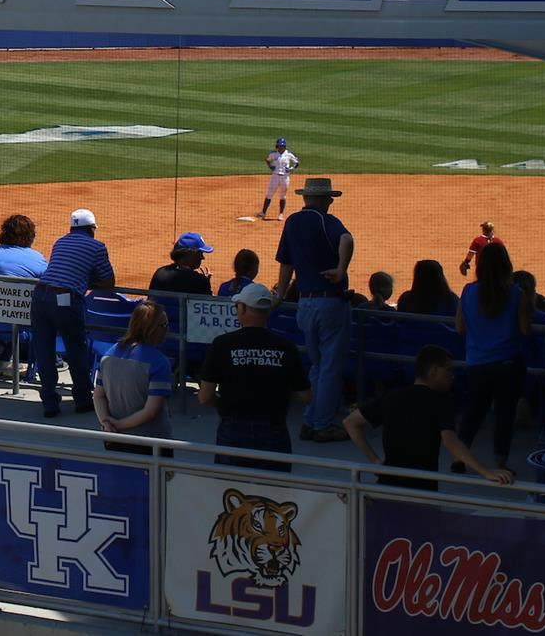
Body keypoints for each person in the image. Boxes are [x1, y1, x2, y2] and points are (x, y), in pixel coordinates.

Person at [345, 345, 516, 488]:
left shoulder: (390, 396)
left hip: (388, 484)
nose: (452, 376)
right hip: (421, 488)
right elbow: (450, 441)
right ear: (434, 370)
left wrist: (375, 460)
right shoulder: (441, 401)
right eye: (448, 370)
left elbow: (350, 422)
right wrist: (485, 471)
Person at [273, 176, 355, 443]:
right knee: (330, 367)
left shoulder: (292, 221)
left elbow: (286, 264)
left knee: (317, 366)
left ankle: (311, 420)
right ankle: (322, 424)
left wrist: (280, 294)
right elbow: (347, 240)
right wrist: (341, 270)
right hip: (329, 302)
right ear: (321, 199)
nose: (331, 201)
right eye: (329, 197)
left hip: (304, 304)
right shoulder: (326, 221)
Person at [197, 283, 310, 467]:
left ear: (241, 308)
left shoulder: (222, 344)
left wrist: (224, 406)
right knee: (273, 492)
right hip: (274, 429)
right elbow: (306, 395)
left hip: (232, 429)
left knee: (229, 489)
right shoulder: (287, 347)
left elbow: (204, 397)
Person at [454, 240, 531, 471]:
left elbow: (460, 328)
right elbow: (525, 329)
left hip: (477, 362)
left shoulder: (468, 291)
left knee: (474, 411)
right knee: (504, 414)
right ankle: (500, 461)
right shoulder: (516, 293)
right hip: (508, 362)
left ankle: (460, 457)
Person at [30, 208, 114, 417]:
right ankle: (83, 400)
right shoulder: (97, 247)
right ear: (92, 228)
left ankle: (49, 403)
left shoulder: (60, 241)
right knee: (76, 348)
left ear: (71, 227)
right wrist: (87, 280)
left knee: (44, 350)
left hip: (39, 296)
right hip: (64, 300)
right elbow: (108, 282)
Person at [93, 302, 173, 444]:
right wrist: (118, 425)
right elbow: (150, 412)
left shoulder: (107, 356)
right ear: (152, 329)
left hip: (113, 439)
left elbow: (98, 396)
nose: (168, 329)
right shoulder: (160, 363)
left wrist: (107, 424)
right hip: (151, 442)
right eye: (164, 325)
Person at [259, 137, 297, 220]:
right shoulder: (273, 154)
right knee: (269, 194)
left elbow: (297, 163)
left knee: (282, 196)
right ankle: (263, 212)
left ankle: (281, 214)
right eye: (279, 146)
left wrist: (291, 169)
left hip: (285, 178)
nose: (280, 147)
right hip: (275, 177)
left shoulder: (289, 154)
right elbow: (267, 160)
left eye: (282, 146)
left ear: (284, 146)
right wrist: (270, 166)